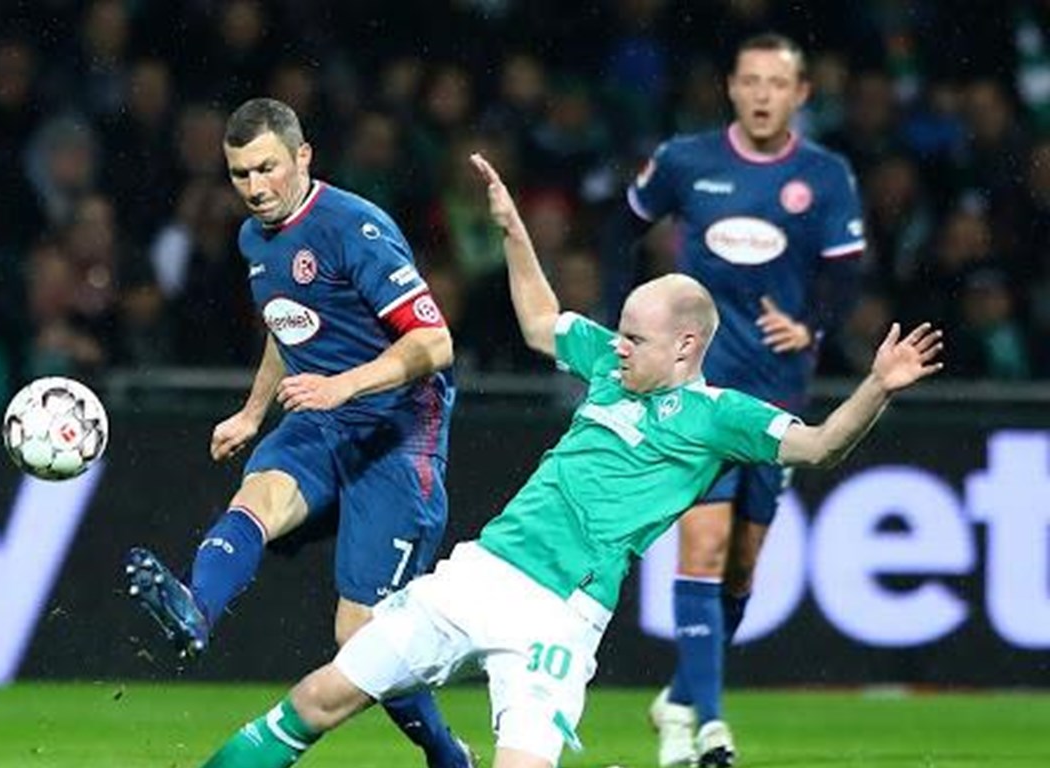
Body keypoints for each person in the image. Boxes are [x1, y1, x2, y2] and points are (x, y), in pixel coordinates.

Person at [192, 154, 941, 768]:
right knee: (316, 700)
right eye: (620, 332)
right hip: (481, 572)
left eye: (636, 339)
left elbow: (821, 444)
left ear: (686, 346)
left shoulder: (721, 417)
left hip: (559, 616)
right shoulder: (612, 364)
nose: (619, 345)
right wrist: (514, 232)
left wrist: (877, 386)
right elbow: (541, 321)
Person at [125, 98, 472, 768]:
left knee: (360, 639)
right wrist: (253, 412)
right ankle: (196, 609)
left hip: (398, 433)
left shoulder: (355, 228)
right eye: (240, 174)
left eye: (267, 168)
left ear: (303, 156)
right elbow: (286, 326)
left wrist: (343, 386)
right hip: (321, 418)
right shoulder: (255, 240)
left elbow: (435, 343)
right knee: (257, 497)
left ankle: (446, 754)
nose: (255, 188)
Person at [624, 33, 866, 767]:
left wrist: (811, 325)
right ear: (730, 87)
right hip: (700, 394)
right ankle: (708, 727)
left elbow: (845, 273)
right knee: (703, 546)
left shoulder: (824, 176)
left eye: (777, 83)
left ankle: (677, 700)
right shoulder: (685, 160)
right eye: (751, 81)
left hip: (776, 393)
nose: (763, 94)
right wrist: (625, 325)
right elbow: (620, 229)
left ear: (801, 94)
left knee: (741, 568)